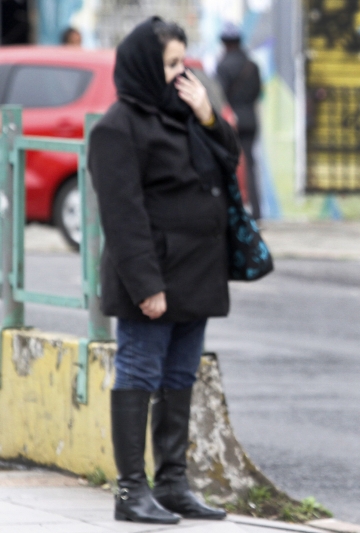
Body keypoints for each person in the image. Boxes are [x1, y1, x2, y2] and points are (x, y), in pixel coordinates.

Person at [88, 17, 240, 524]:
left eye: (183, 61)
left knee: (179, 377)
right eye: (171, 64)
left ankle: (173, 484)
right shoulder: (117, 127)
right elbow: (123, 215)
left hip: (197, 272)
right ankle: (131, 490)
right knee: (139, 374)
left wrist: (208, 116)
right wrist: (146, 286)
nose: (181, 74)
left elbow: (226, 165)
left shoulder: (184, 113)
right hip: (152, 276)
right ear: (143, 66)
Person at [216, 22, 263, 220]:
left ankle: (234, 209)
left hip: (231, 121)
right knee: (250, 164)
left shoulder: (222, 66)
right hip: (251, 119)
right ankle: (257, 211)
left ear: (224, 43)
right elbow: (258, 93)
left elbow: (220, 96)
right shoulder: (252, 65)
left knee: (230, 164)